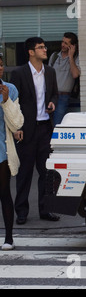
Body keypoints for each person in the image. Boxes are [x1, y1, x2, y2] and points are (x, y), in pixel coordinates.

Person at [10, 37, 60, 225]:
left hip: (45, 128)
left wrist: (53, 102)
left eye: (44, 46)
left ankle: (46, 209)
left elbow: (55, 93)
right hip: (26, 130)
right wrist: (16, 128)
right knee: (25, 173)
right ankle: (21, 212)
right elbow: (13, 103)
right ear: (31, 52)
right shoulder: (19, 73)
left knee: (47, 172)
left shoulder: (50, 72)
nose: (45, 50)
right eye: (41, 47)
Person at [0, 55, 24, 250]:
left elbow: (17, 123)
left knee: (4, 192)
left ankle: (9, 237)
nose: (0, 68)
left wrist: (6, 100)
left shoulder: (10, 89)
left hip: (2, 150)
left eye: (0, 65)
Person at [50, 32, 80, 125]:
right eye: (63, 42)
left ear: (72, 46)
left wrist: (71, 57)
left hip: (64, 96)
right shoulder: (54, 56)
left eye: (66, 43)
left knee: (57, 124)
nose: (63, 45)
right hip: (51, 95)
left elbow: (75, 74)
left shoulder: (76, 59)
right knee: (48, 124)